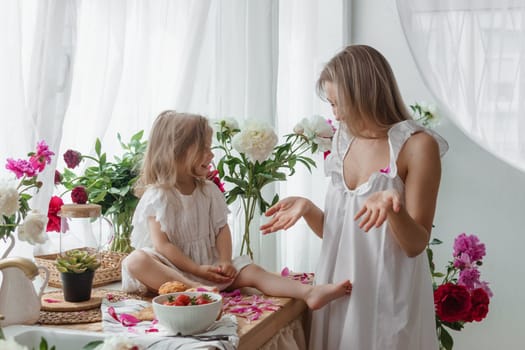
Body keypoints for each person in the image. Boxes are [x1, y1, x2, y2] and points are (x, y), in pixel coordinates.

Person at [260, 45, 448, 350]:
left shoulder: (416, 146)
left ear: (365, 94)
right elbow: (344, 234)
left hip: (386, 297)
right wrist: (309, 210)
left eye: (339, 103)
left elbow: (415, 245)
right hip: (338, 291)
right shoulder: (343, 141)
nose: (335, 114)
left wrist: (392, 207)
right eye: (331, 104)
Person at [121, 110, 352, 311]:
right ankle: (197, 290)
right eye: (203, 149)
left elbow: (222, 229)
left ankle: (308, 293)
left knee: (254, 272)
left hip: (210, 265)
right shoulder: (159, 196)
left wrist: (224, 261)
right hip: (174, 270)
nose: (211, 155)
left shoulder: (208, 190)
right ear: (177, 151)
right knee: (135, 261)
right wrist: (196, 271)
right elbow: (163, 246)